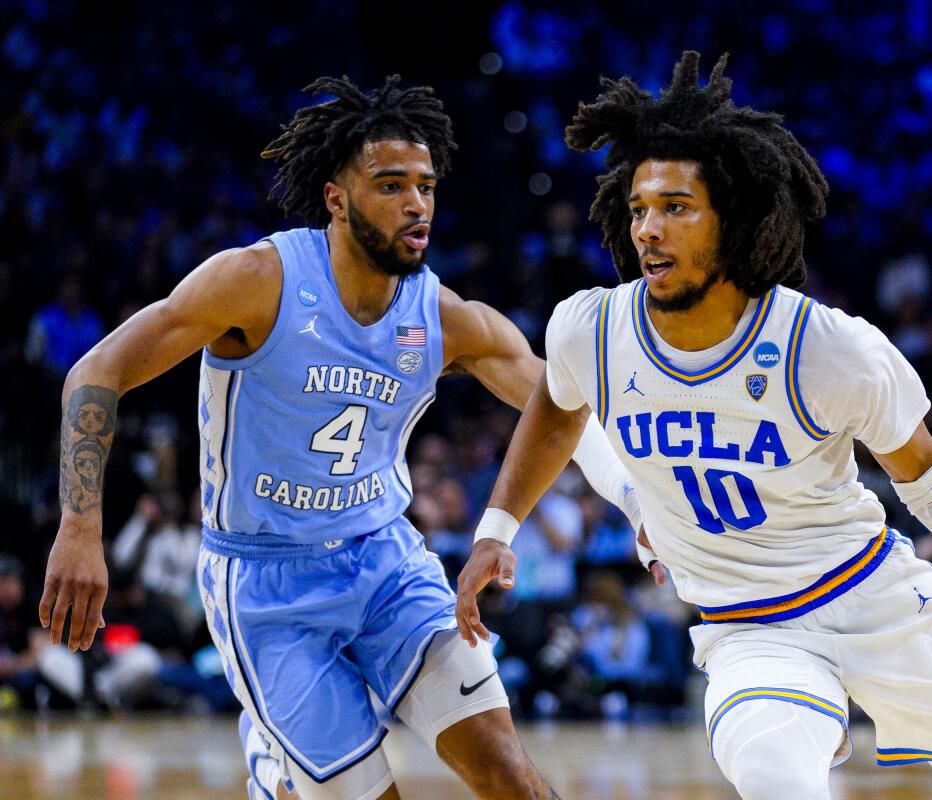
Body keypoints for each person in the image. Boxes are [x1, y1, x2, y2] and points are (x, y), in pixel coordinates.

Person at [456, 53, 932, 800]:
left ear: (734, 216)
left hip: (875, 603)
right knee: (774, 777)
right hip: (750, 633)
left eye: (676, 207)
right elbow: (558, 408)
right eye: (639, 209)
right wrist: (498, 525)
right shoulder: (590, 329)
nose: (649, 229)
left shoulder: (828, 351)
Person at [40, 75, 646, 800]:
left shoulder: (444, 316)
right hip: (266, 585)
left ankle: (287, 760)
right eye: (391, 186)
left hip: (386, 562)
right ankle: (276, 762)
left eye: (424, 185)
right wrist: (80, 526)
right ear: (336, 198)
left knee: (512, 777)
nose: (416, 203)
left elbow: (566, 403)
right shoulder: (256, 282)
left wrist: (641, 504)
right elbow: (95, 371)